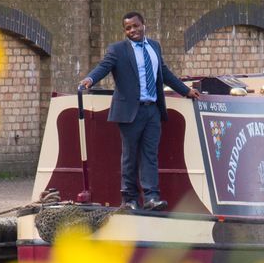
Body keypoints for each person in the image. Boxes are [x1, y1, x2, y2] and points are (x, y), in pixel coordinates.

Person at [79, 11, 200, 211]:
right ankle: (129, 198)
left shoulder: (154, 47)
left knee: (150, 155)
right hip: (129, 111)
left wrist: (186, 90)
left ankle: (152, 197)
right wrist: (89, 79)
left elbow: (165, 73)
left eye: (135, 26)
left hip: (152, 110)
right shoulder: (118, 50)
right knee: (130, 155)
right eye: (128, 28)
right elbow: (104, 67)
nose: (132, 31)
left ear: (143, 25)